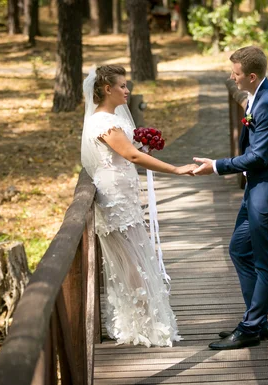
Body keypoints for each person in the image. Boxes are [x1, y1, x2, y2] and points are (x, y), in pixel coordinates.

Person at [81, 65, 197, 347]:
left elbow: (130, 150)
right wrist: (176, 170)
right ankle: (144, 322)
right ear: (107, 90)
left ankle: (143, 319)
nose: (127, 90)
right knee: (131, 262)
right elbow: (131, 155)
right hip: (115, 199)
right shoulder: (102, 123)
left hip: (125, 196)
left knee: (134, 259)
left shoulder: (110, 118)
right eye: (121, 86)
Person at [193, 46, 268, 350]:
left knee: (266, 263)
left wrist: (215, 166)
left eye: (236, 74)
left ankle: (251, 327)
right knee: (240, 249)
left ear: (252, 76)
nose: (231, 77)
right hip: (257, 188)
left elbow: (258, 156)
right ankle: (258, 320)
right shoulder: (260, 94)